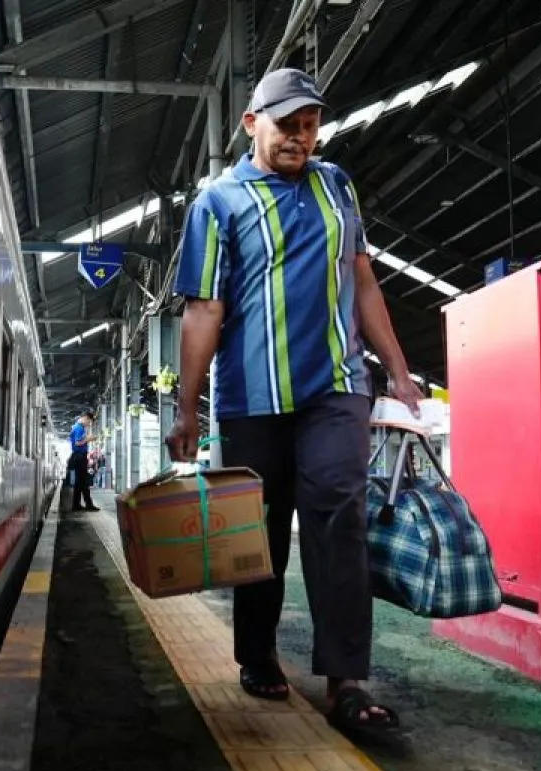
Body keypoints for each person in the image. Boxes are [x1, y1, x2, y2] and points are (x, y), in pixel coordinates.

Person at [164, 68, 423, 734]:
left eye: (310, 125)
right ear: (252, 124)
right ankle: (257, 653)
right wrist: (187, 407)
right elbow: (203, 310)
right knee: (261, 530)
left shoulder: (336, 185)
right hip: (251, 397)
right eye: (287, 125)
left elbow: (362, 279)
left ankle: (345, 681)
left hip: (336, 386)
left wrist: (397, 370)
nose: (300, 137)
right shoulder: (218, 203)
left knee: (340, 516)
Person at [69, 412, 99, 512]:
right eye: (89, 422)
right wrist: (88, 439)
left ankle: (76, 505)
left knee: (79, 483)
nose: (89, 424)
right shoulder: (79, 428)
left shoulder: (77, 427)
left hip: (78, 457)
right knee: (84, 482)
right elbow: (78, 443)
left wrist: (87, 439)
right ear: (85, 418)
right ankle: (88, 505)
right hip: (79, 457)